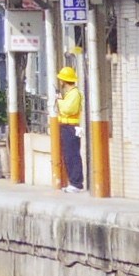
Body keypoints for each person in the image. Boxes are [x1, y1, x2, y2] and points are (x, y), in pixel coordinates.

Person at [54, 65, 84, 193]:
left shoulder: (74, 94)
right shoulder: (68, 94)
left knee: (73, 155)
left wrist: (59, 100)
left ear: (64, 81)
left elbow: (68, 109)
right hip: (66, 127)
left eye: (61, 80)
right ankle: (73, 182)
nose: (60, 82)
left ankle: (76, 183)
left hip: (72, 128)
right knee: (68, 154)